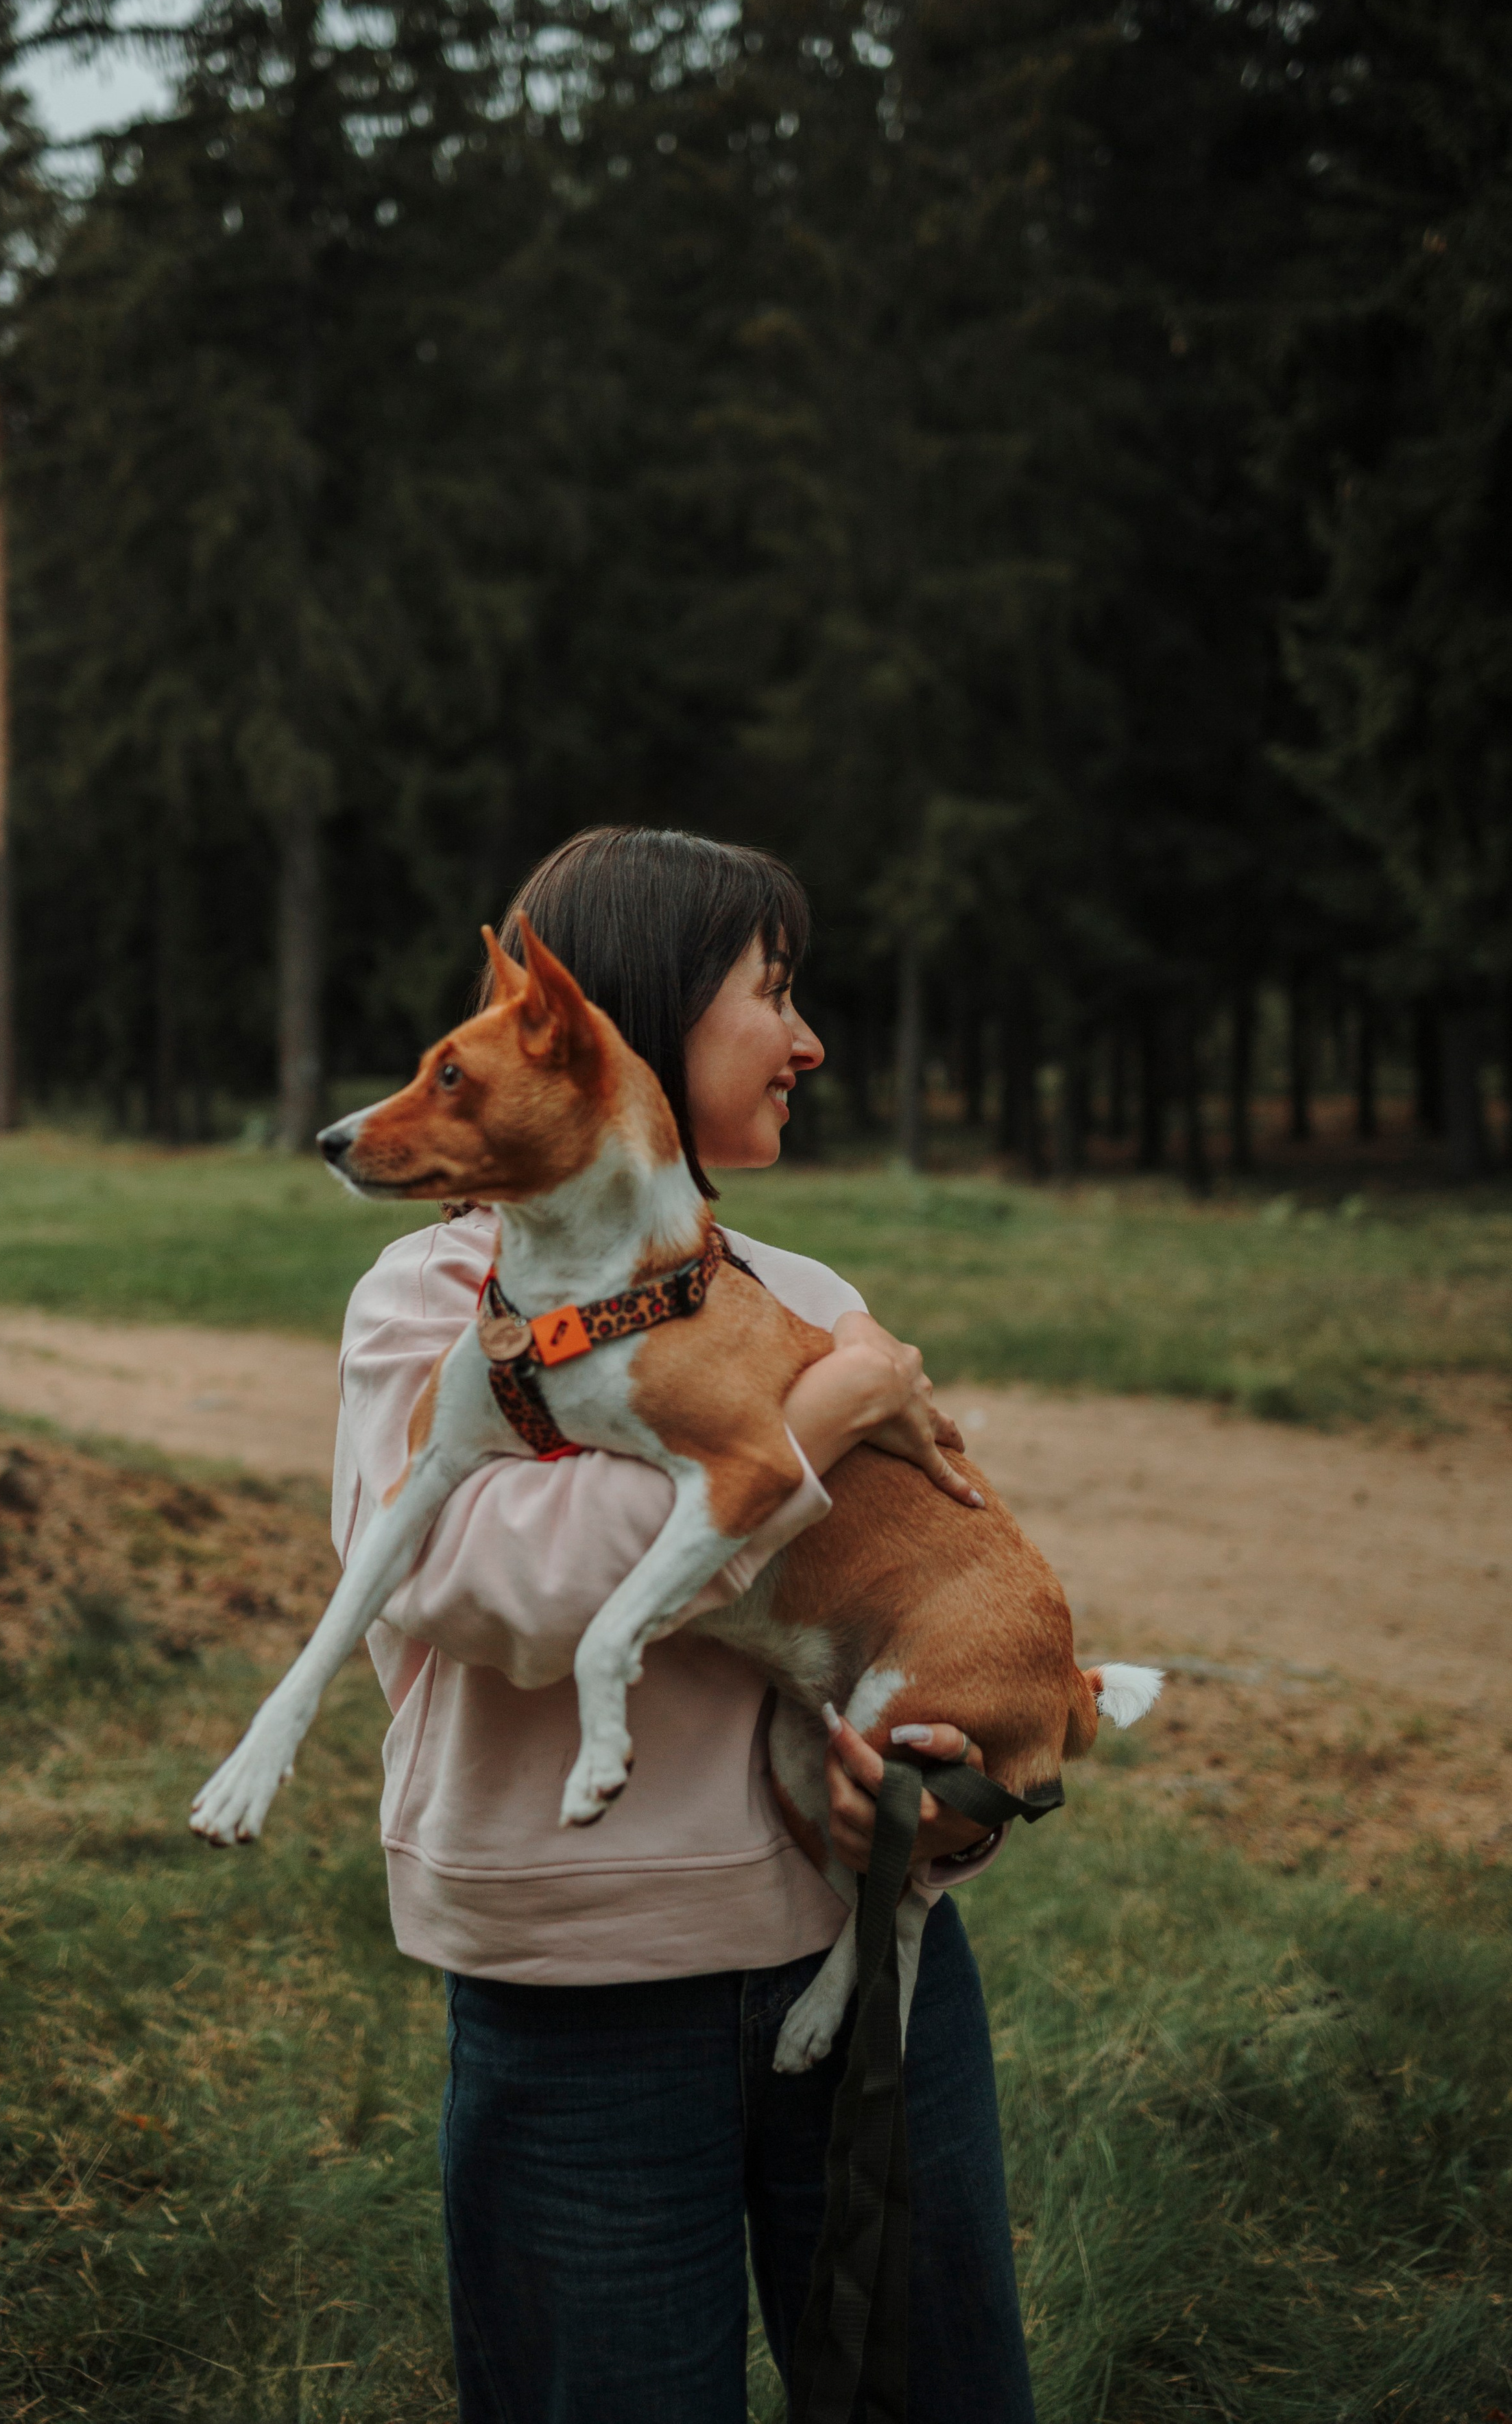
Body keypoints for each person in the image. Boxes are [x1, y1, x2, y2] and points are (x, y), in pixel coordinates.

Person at [330, 825, 1037, 2424]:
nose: (806, 1039)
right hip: (579, 2014)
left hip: (861, 1976)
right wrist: (806, 1435)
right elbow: (474, 1581)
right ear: (615, 1023)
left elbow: (941, 1577)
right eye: (770, 994)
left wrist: (942, 1790)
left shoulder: (797, 1293)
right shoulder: (430, 1301)